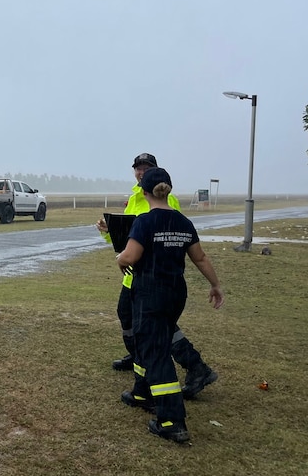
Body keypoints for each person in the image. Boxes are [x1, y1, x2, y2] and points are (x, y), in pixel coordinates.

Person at [115, 167, 224, 443]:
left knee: (156, 353)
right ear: (169, 190)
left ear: (144, 191)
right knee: (152, 342)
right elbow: (199, 258)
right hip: (176, 292)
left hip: (150, 292)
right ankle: (141, 392)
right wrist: (215, 285)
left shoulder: (145, 221)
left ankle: (171, 420)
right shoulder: (183, 222)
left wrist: (119, 260)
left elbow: (130, 256)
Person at [96, 153, 217, 399]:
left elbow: (166, 237)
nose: (140, 172)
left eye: (146, 168)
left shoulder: (166, 200)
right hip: (134, 275)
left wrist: (127, 257)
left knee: (157, 327)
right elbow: (127, 240)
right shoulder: (133, 198)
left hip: (152, 277)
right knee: (131, 318)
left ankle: (193, 366)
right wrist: (109, 233)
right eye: (137, 168)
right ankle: (140, 359)